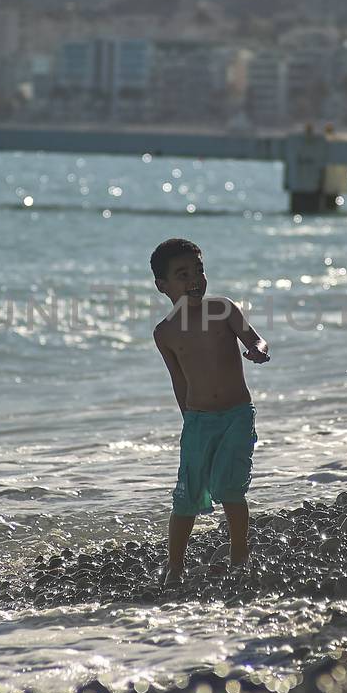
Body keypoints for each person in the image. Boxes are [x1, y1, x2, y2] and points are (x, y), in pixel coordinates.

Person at [150, 238, 269, 586]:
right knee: (186, 494)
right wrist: (188, 421)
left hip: (236, 415)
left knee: (232, 488)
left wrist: (258, 351)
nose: (195, 279)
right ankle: (175, 566)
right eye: (183, 274)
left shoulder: (223, 310)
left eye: (199, 270)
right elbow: (179, 381)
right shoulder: (165, 333)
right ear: (163, 286)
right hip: (199, 421)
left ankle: (239, 555)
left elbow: (256, 339)